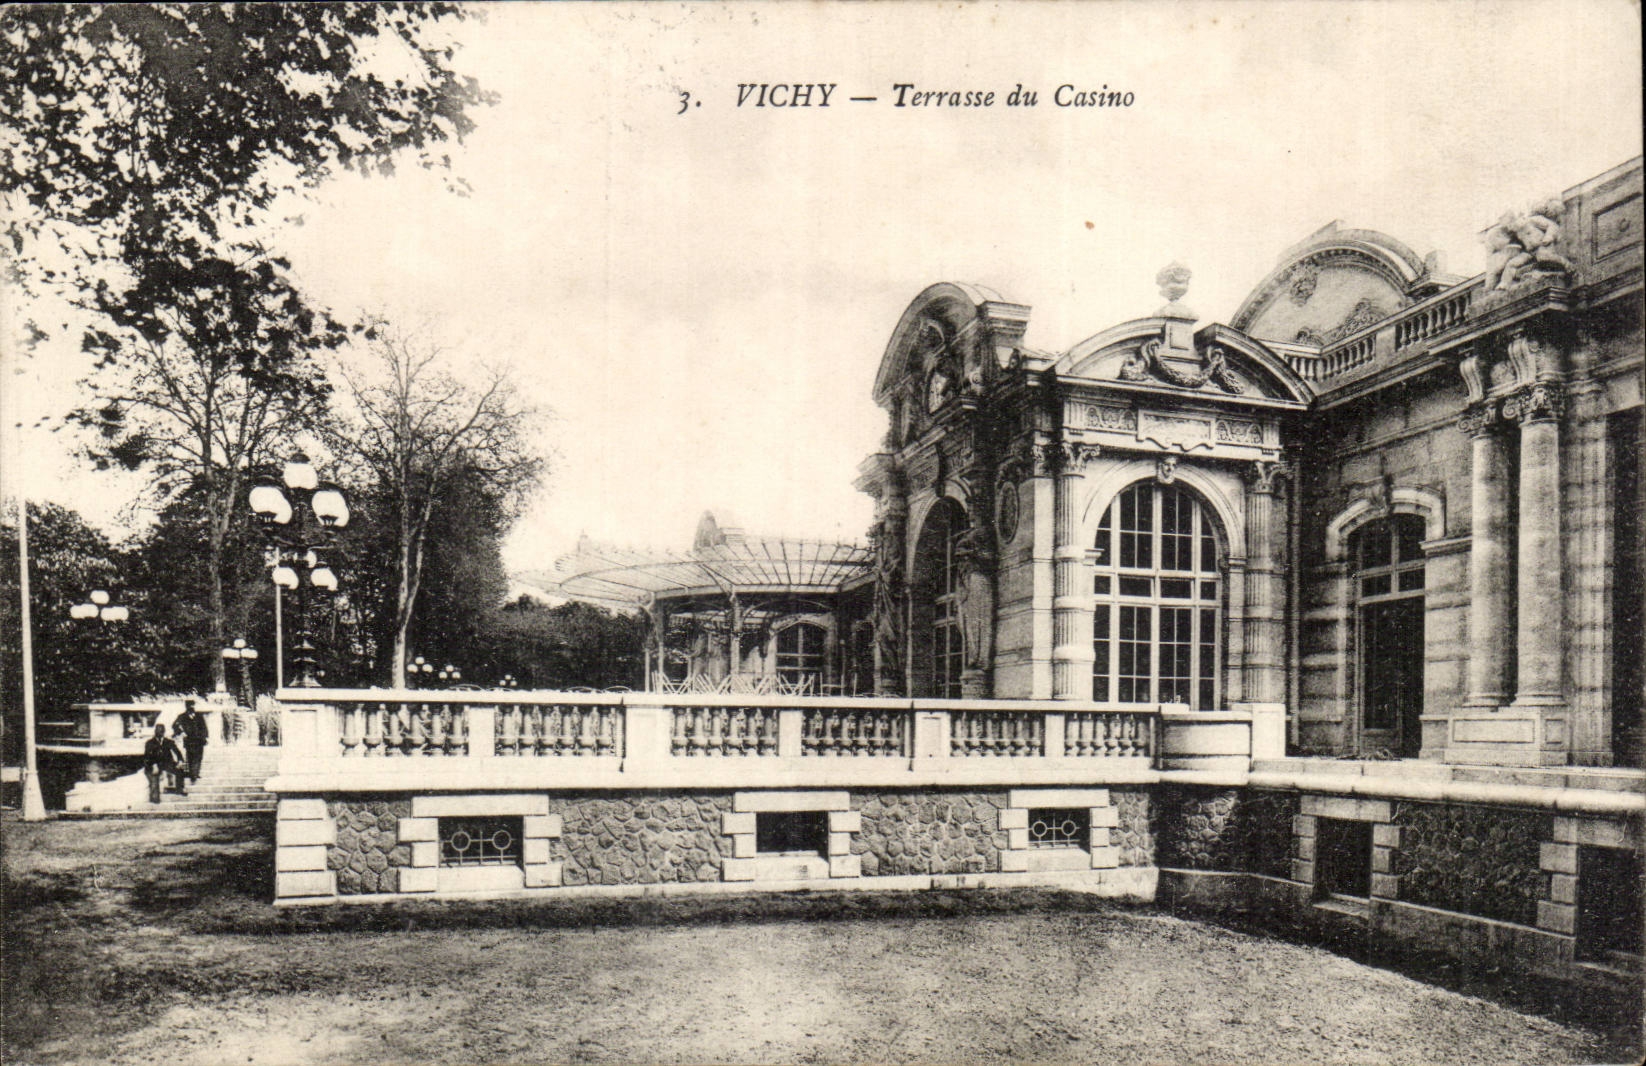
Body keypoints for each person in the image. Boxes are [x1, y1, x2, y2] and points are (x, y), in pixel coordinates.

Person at [142, 723, 186, 803]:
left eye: (161, 731)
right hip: (153, 764)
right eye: (158, 731)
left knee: (180, 770)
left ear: (164, 732)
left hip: (166, 763)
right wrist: (154, 765)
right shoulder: (149, 743)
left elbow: (177, 752)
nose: (159, 733)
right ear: (155, 732)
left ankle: (180, 789)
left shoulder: (169, 742)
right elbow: (147, 756)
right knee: (154, 777)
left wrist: (180, 761)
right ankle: (155, 798)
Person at [176, 700, 209, 784]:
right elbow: (175, 725)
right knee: (190, 757)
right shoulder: (182, 716)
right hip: (189, 741)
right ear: (186, 707)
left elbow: (204, 727)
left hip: (199, 740)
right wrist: (181, 732)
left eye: (193, 705)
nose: (192, 707)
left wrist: (206, 737)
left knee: (199, 757)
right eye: (190, 706)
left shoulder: (199, 716)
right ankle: (192, 774)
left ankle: (195, 773)